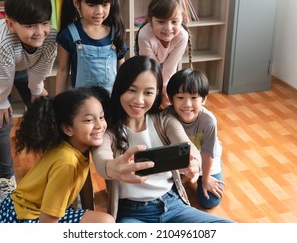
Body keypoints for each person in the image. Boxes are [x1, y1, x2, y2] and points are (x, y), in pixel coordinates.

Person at [91, 55, 233, 223]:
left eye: (148, 92)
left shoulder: (165, 120)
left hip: (173, 205)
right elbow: (101, 159)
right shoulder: (107, 128)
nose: (139, 100)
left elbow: (184, 142)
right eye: (131, 90)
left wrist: (192, 161)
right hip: (132, 213)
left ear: (157, 93)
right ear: (120, 88)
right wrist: (111, 167)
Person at [0, 0, 58, 209]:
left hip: (23, 65)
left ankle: (52, 167)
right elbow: (1, 76)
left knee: (44, 113)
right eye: (30, 25)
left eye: (44, 22)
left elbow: (42, 67)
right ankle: (6, 180)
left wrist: (37, 91)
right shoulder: (3, 41)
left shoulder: (49, 37)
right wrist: (0, 101)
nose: (39, 31)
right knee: (1, 122)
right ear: (11, 24)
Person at [0, 87, 115, 223]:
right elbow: (48, 220)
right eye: (89, 120)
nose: (100, 125)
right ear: (68, 128)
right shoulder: (67, 162)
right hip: (25, 217)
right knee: (105, 222)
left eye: (101, 117)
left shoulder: (77, 146)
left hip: (24, 207)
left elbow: (85, 186)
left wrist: (87, 212)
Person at [55, 0, 128, 95]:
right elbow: (62, 70)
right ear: (76, 2)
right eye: (91, 5)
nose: (99, 11)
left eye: (105, 5)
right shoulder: (69, 35)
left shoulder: (115, 33)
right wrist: (57, 104)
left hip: (110, 103)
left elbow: (123, 70)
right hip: (80, 104)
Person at [166, 68, 225, 209]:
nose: (187, 104)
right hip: (178, 162)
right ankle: (186, 177)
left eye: (194, 98)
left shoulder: (208, 120)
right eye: (180, 97)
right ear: (170, 99)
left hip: (206, 157)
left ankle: (216, 166)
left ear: (204, 99)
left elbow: (207, 153)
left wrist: (205, 179)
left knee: (210, 201)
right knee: (167, 195)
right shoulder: (166, 117)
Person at [135, 0, 192, 109]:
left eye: (174, 22)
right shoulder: (144, 35)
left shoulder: (182, 36)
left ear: (182, 20)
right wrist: (158, 91)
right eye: (161, 22)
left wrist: (166, 90)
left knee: (167, 100)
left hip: (166, 71)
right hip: (147, 67)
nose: (168, 28)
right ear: (151, 20)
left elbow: (170, 68)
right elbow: (152, 67)